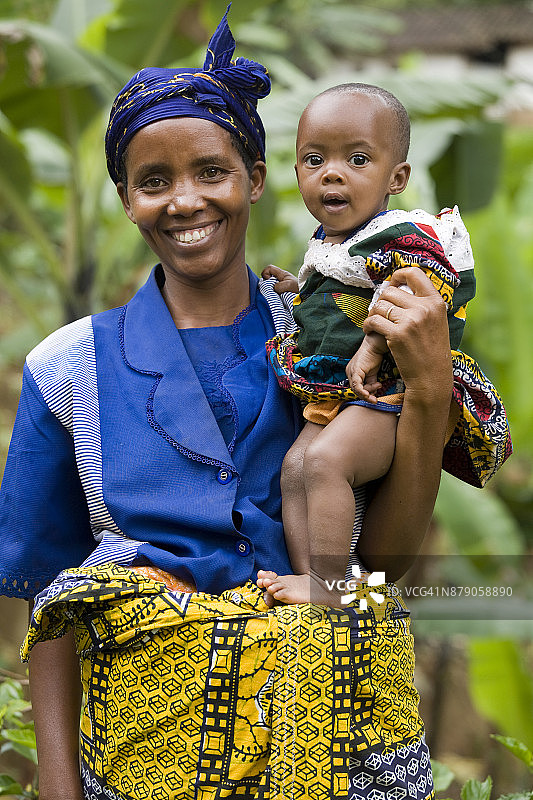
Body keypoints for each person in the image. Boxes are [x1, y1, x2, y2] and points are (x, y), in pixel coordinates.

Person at [0, 11, 508, 800]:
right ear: (126, 199)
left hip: (347, 753)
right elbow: (52, 596)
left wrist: (431, 388)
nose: (185, 202)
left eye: (211, 170)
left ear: (257, 178)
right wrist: (60, 787)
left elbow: (384, 569)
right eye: (153, 181)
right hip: (148, 761)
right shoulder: (66, 369)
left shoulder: (328, 346)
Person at [257, 84, 511, 605]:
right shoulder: (334, 242)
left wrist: (372, 346)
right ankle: (320, 581)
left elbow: (423, 284)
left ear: (396, 178)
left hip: (385, 396)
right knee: (296, 468)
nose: (332, 172)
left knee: (326, 463)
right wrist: (296, 290)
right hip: (338, 396)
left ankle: (327, 587)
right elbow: (336, 292)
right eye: (313, 159)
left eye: (356, 159)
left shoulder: (399, 233)